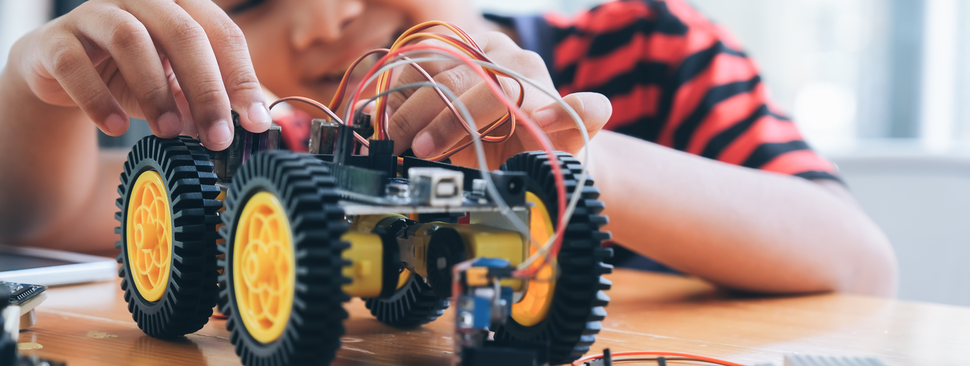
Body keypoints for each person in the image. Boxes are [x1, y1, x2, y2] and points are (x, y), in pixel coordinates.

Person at [0, 0, 896, 296]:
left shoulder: (652, 49)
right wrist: (25, 91)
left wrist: (559, 148)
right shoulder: (304, 145)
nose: (325, 35)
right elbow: (44, 214)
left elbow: (859, 264)